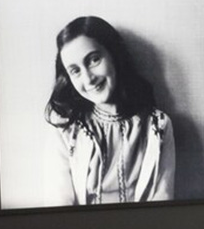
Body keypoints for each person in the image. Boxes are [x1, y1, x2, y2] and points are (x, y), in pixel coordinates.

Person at [43, 15, 175, 205]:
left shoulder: (159, 126)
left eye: (94, 60)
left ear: (114, 54)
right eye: (75, 71)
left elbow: (163, 199)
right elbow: (58, 206)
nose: (88, 79)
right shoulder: (64, 128)